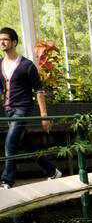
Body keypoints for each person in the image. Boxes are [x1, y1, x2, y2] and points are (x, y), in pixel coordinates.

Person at [1, 27, 59, 189]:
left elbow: (39, 90)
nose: (2, 42)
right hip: (8, 109)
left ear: (14, 42)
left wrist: (44, 115)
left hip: (23, 108)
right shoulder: (0, 64)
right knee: (27, 143)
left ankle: (7, 181)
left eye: (5, 39)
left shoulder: (27, 65)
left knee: (11, 141)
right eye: (0, 40)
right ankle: (51, 171)